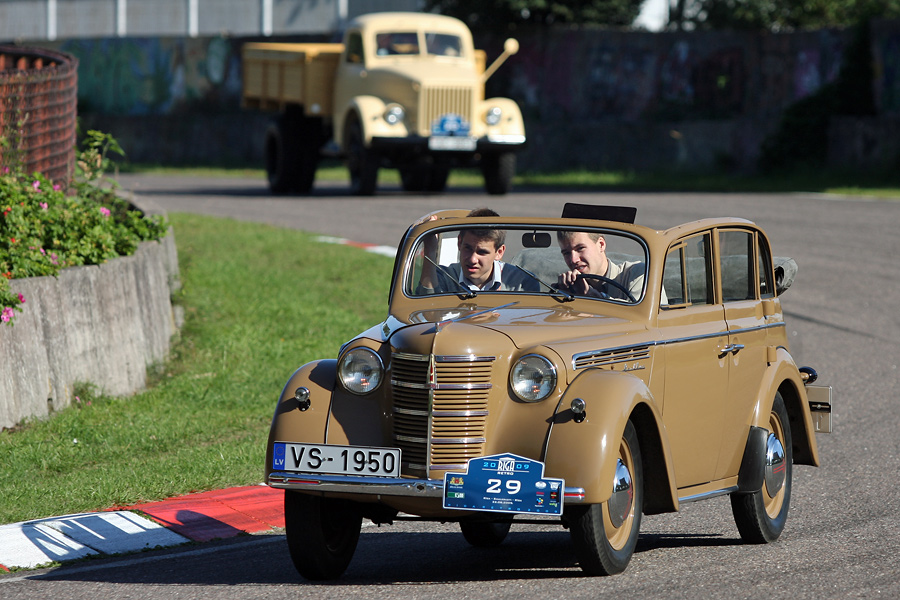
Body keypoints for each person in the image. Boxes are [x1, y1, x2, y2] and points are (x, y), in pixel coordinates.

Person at [416, 208, 538, 294]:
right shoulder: (442, 277)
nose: (472, 259)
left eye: (482, 252)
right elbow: (428, 314)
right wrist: (430, 250)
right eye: (468, 248)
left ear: (499, 252)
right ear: (459, 243)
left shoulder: (522, 283)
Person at [556, 231, 647, 302]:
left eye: (580, 248)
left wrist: (592, 296)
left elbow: (638, 315)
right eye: (566, 253)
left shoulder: (636, 274)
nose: (573, 260)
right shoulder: (568, 286)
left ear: (601, 244)